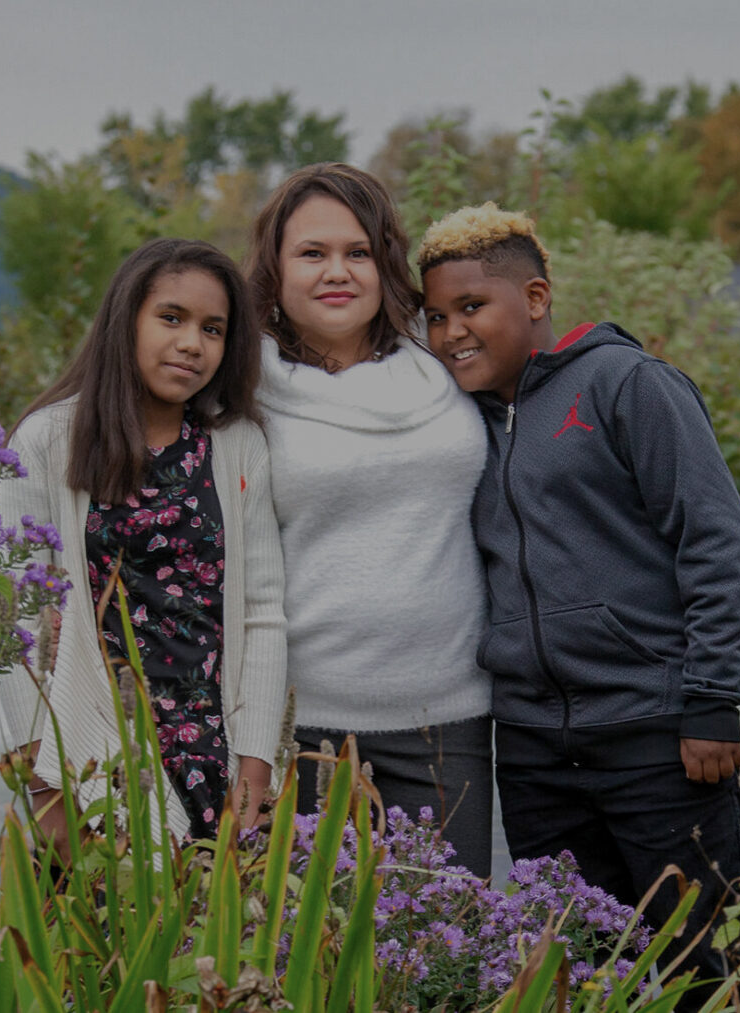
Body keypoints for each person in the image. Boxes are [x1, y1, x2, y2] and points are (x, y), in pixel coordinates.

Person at [417, 203, 740, 1003]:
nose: (451, 333)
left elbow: (712, 539)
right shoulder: (457, 421)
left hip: (657, 740)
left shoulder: (627, 386)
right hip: (535, 751)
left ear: (535, 299)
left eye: (472, 308)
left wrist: (713, 697)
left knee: (702, 963)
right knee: (575, 969)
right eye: (434, 316)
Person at [244, 163, 493, 877]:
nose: (338, 272)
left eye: (357, 252)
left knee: (444, 960)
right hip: (303, 729)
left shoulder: (445, 360)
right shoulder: (237, 387)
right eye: (312, 253)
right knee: (309, 968)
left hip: (449, 722)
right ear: (275, 266)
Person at [0, 238, 287, 846]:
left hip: (213, 746)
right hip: (90, 750)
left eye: (213, 329)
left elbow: (261, 610)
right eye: (172, 318)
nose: (192, 343)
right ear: (125, 319)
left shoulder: (236, 446)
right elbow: (16, 617)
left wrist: (258, 757)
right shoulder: (47, 442)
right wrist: (42, 782)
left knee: (221, 937)